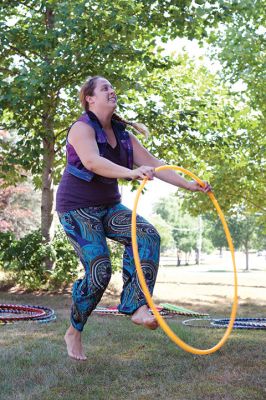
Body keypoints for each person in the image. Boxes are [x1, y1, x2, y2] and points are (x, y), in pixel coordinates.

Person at [56, 75, 212, 361]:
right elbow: (92, 161)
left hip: (108, 207)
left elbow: (155, 164)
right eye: (105, 88)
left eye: (112, 87)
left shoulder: (124, 135)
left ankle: (137, 306)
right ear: (90, 98)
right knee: (99, 270)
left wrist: (189, 184)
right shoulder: (81, 128)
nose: (111, 91)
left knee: (148, 235)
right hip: (77, 209)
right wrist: (129, 172)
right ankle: (74, 331)